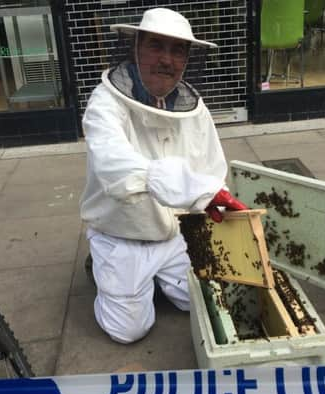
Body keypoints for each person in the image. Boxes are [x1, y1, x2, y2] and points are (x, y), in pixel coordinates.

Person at [80, 7, 247, 344]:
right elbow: (117, 166)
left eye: (178, 51)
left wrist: (214, 201)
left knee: (207, 303)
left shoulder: (194, 110)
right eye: (156, 46)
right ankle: (105, 268)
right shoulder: (104, 105)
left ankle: (152, 279)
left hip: (175, 234)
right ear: (136, 48)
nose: (167, 60)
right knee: (127, 331)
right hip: (121, 236)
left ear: (187, 59)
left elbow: (212, 168)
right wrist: (199, 191)